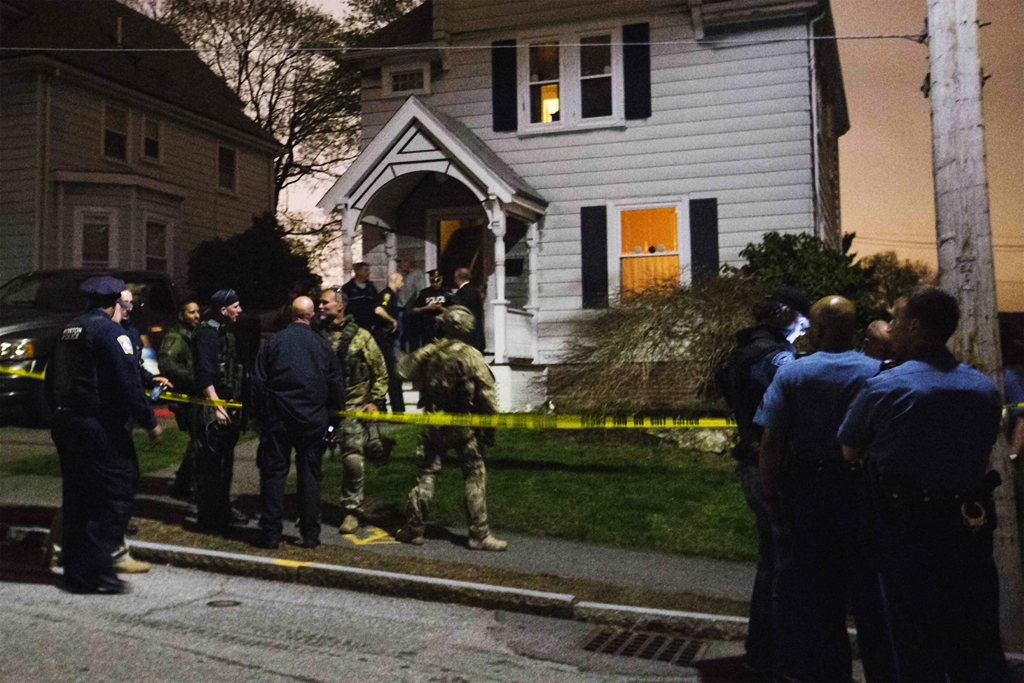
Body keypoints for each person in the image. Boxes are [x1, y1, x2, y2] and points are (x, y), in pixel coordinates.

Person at [838, 286, 1009, 683]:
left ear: (914, 326)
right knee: (972, 634)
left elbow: (850, 450)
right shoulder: (983, 388)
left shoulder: (885, 386)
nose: (891, 328)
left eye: (896, 319)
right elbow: (982, 455)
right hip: (968, 528)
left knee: (911, 636)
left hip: (903, 528)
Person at [754, 296, 891, 682]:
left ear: (818, 330)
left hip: (811, 494)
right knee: (869, 594)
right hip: (863, 493)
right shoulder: (878, 372)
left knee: (820, 598)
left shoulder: (795, 374)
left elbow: (772, 441)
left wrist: (771, 496)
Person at [714, 285, 809, 679]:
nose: (802, 331)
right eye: (801, 322)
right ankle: (780, 655)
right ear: (783, 313)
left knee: (769, 560)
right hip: (773, 466)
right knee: (785, 563)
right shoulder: (779, 357)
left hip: (749, 463)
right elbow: (794, 408)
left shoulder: (737, 353)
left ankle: (760, 651)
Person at [44, 276, 162, 594]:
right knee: (113, 493)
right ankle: (98, 572)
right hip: (99, 427)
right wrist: (150, 421)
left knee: (78, 496)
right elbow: (128, 384)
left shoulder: (68, 330)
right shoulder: (111, 331)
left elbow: (49, 378)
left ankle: (77, 571)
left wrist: (54, 416)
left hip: (67, 423)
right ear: (112, 304)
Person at [395, 306, 506, 551]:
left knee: (426, 475)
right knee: (474, 474)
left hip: (434, 424)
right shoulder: (471, 355)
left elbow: (403, 370)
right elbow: (487, 395)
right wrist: (491, 427)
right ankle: (479, 533)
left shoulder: (429, 351)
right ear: (466, 327)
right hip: (464, 426)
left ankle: (414, 528)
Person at [251, 297, 345, 549]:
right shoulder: (322, 345)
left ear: (291, 314)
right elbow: (336, 385)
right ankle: (310, 533)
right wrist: (334, 421)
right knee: (310, 476)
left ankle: (271, 533)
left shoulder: (274, 342)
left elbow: (258, 382)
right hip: (312, 420)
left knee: (274, 475)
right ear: (311, 315)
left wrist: (260, 417)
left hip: (279, 418)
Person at [317, 287, 389, 534]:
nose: (320, 306)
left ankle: (351, 511)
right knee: (314, 457)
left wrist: (375, 402)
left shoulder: (361, 337)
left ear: (340, 306)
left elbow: (380, 372)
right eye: (319, 302)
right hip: (323, 412)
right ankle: (310, 507)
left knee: (352, 461)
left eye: (325, 303)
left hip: (352, 409)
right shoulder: (317, 336)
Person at [191, 289, 247, 533]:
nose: (240, 310)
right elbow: (205, 374)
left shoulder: (223, 332)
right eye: (236, 306)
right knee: (211, 465)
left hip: (224, 405)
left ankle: (221, 511)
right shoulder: (206, 334)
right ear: (223, 309)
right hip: (212, 408)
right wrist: (217, 406)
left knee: (224, 464)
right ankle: (208, 518)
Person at [161, 300, 202, 502]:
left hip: (193, 395)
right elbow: (166, 363)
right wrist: (193, 377)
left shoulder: (191, 335)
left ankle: (182, 484)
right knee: (198, 441)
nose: (196, 316)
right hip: (187, 397)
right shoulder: (176, 337)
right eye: (191, 312)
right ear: (181, 315)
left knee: (197, 440)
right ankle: (192, 488)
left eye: (198, 312)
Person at [373, 272, 405, 413]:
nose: (403, 283)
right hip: (383, 340)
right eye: (401, 280)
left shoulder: (392, 295)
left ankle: (388, 409)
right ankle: (396, 411)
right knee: (391, 376)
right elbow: (379, 309)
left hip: (388, 341)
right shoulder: (387, 295)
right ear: (395, 281)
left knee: (389, 375)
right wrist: (392, 320)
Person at [409, 269, 452, 348]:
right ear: (429, 280)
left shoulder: (447, 293)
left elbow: (453, 310)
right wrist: (426, 308)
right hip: (427, 327)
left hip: (443, 327)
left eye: (437, 280)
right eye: (433, 281)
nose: (435, 283)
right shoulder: (424, 293)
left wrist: (441, 308)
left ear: (441, 279)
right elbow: (414, 309)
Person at [451, 267, 485, 352]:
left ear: (457, 278)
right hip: (477, 332)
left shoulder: (461, 293)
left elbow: (459, 312)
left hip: (467, 334)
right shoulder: (476, 291)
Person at [341, 262, 379, 331]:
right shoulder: (347, 288)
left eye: (368, 270)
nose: (368, 273)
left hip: (369, 326)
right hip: (353, 325)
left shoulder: (371, 288)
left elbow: (376, 304)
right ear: (357, 271)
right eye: (365, 270)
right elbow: (343, 306)